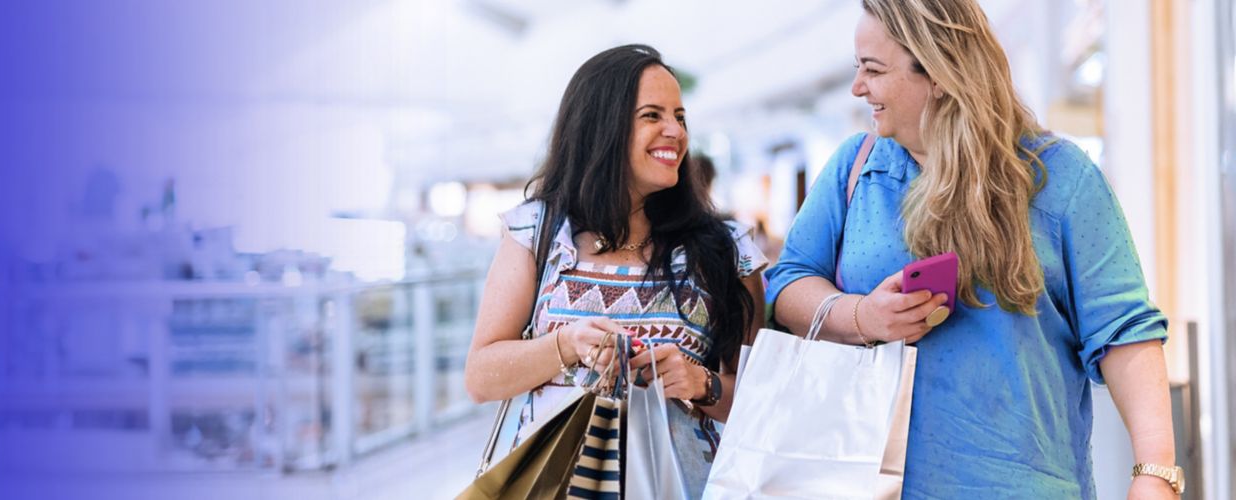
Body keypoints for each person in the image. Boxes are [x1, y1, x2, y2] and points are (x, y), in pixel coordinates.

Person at [765, 0, 1179, 498]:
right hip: (870, 485)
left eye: (873, 71)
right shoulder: (855, 170)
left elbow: (1124, 330)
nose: (858, 88)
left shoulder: (1060, 178)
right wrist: (862, 317)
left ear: (938, 73)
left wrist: (1156, 472)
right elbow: (787, 284)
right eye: (858, 70)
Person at [464, 44, 769, 496]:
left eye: (680, 117)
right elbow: (481, 376)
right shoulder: (537, 231)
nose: (676, 132)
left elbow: (763, 401)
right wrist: (565, 345)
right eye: (652, 116)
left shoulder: (725, 249)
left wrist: (700, 383)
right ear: (601, 127)